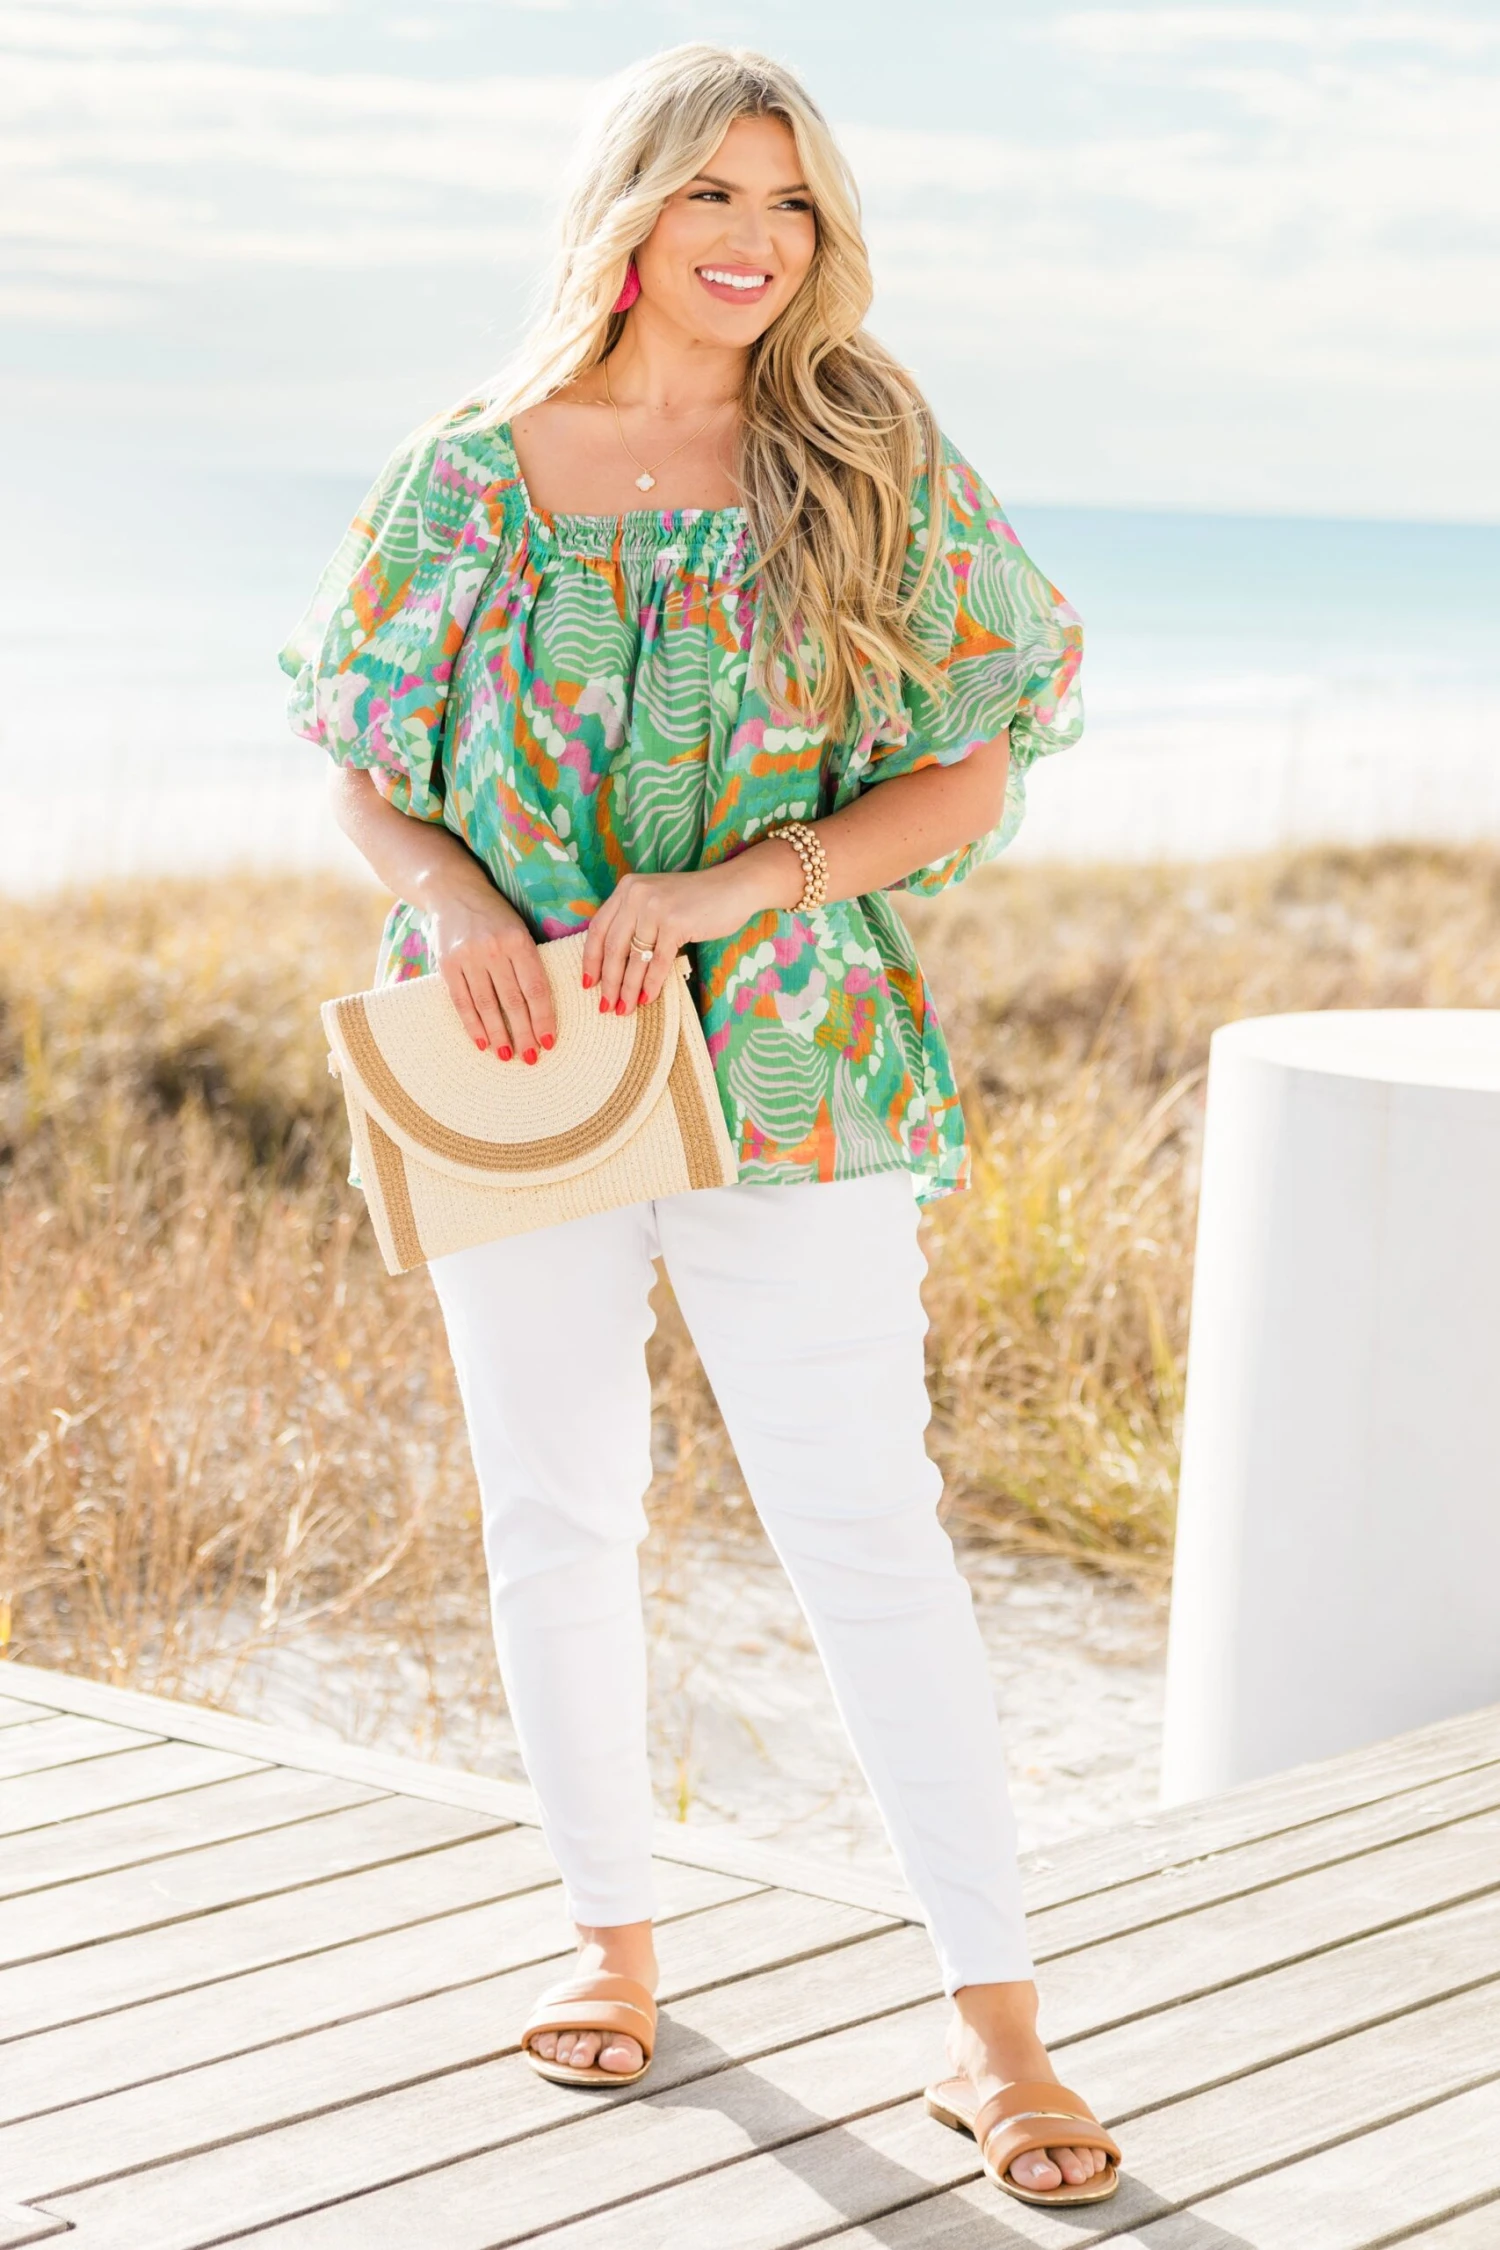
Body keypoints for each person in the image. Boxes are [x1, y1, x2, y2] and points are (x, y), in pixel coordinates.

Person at [281, 42, 1120, 2210]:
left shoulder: (866, 451)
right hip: (521, 1047)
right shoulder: (469, 473)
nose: (754, 239)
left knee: (864, 1520)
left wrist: (744, 883)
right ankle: (611, 1937)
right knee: (560, 1506)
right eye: (711, 194)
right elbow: (359, 755)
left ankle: (994, 2021)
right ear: (629, 209)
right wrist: (462, 904)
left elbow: (973, 765)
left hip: (789, 1054)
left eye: (791, 202)